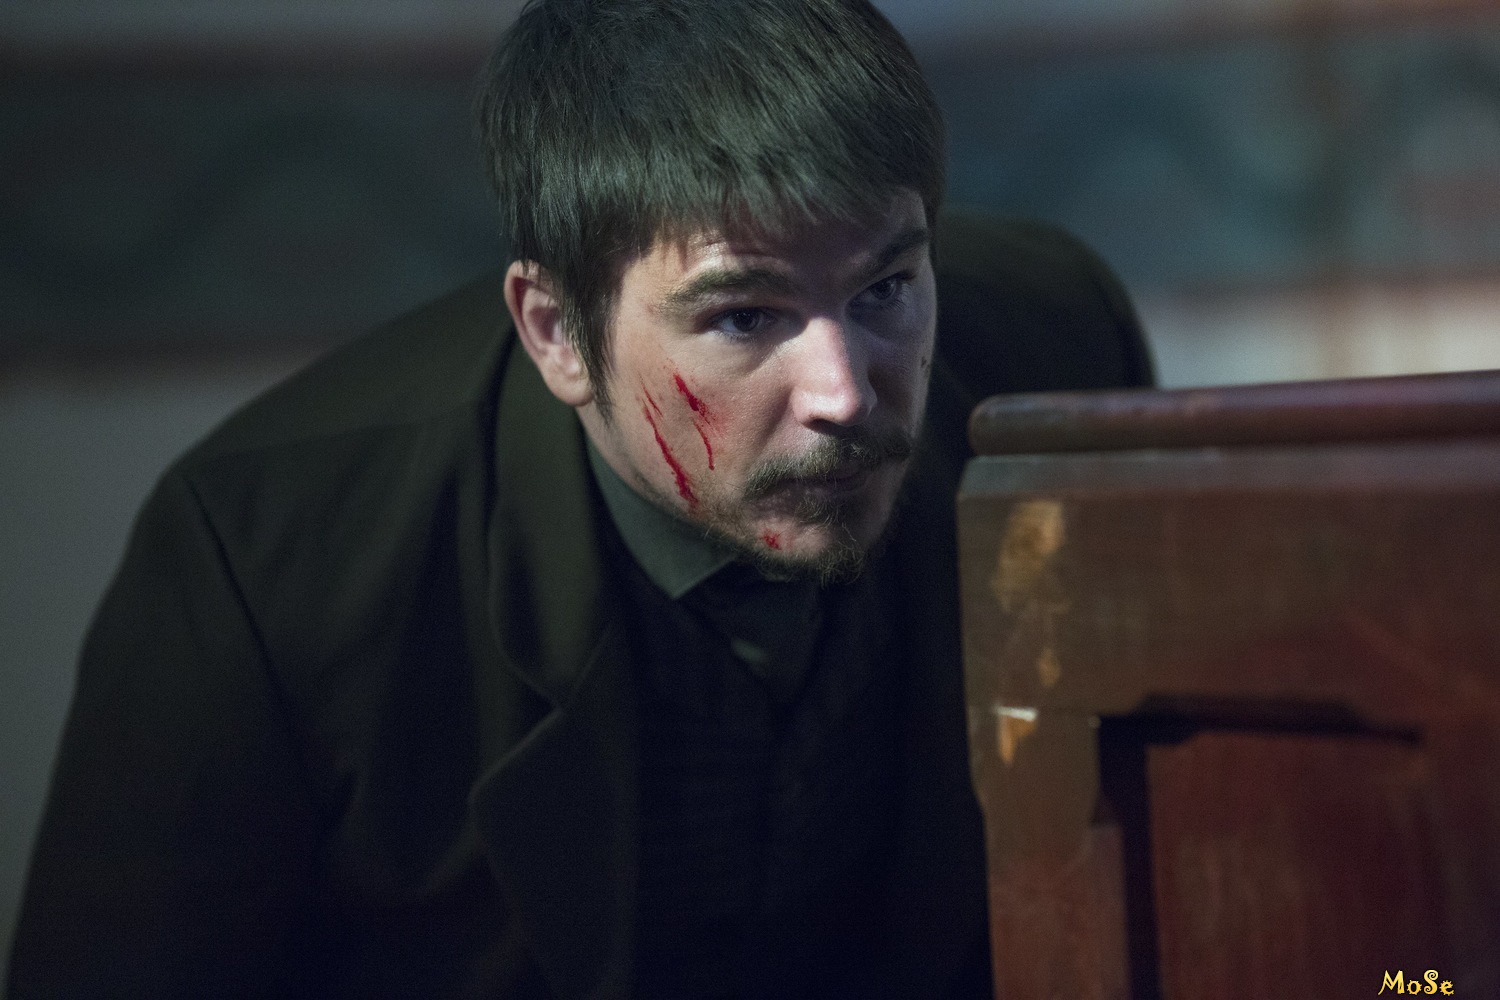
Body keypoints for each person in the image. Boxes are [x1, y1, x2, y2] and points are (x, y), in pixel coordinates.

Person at [8, 1, 1152, 997]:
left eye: (886, 288)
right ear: (557, 332)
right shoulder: (267, 568)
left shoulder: (1052, 347)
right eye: (744, 316)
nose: (844, 393)